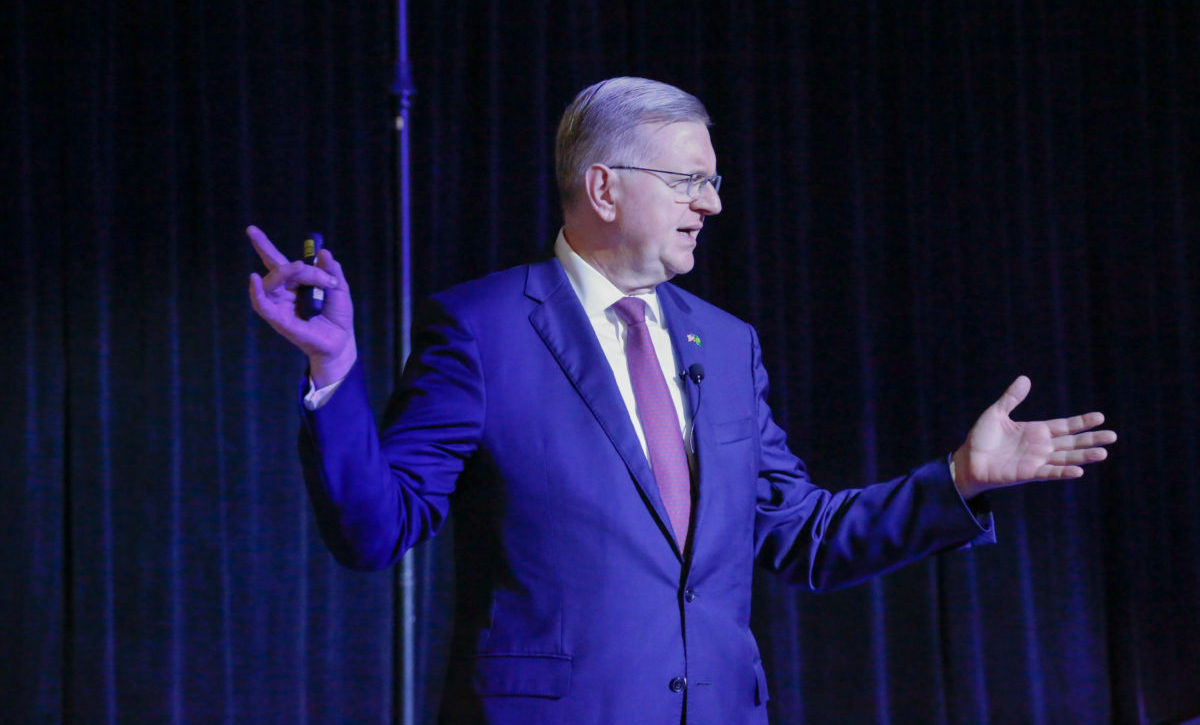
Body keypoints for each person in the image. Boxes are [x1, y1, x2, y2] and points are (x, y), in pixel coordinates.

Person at [247, 77, 1116, 725]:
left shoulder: (727, 344)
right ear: (604, 186)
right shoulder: (482, 328)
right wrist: (337, 370)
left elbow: (800, 535)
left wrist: (960, 479)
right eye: (689, 181)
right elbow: (374, 528)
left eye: (713, 181)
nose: (713, 204)